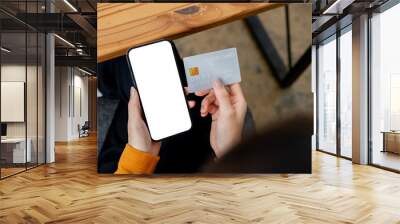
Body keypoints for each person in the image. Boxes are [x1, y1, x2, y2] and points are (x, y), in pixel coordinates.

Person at [115, 80, 247, 174]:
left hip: (135, 177)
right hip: (208, 162)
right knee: (178, 83)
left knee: (137, 85)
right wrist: (227, 152)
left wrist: (137, 163)